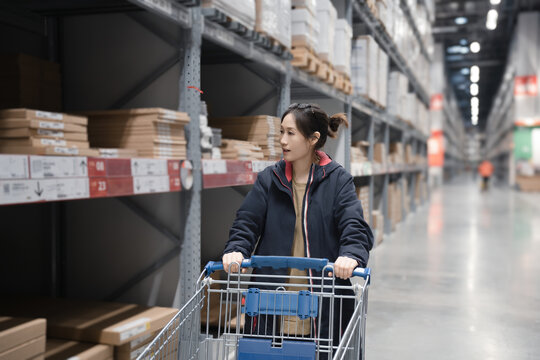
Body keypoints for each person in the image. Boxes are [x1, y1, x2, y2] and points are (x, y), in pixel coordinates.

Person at [221, 103, 374, 355]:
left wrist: (351, 255)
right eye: (281, 132)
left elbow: (353, 224)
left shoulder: (338, 180)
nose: (283, 140)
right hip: (272, 297)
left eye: (291, 133)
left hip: (322, 300)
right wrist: (237, 249)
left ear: (313, 139)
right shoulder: (269, 179)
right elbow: (246, 221)